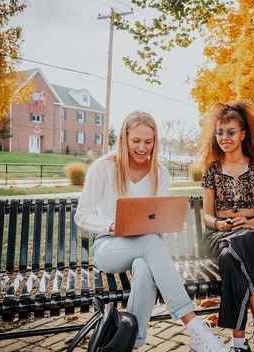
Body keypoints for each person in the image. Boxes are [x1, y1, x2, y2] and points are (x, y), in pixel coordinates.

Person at [75, 110, 231, 352]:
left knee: (146, 268)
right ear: (125, 137)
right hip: (109, 245)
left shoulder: (160, 172)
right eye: (136, 141)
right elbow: (81, 215)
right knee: (149, 242)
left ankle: (131, 346)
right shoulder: (103, 168)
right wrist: (112, 225)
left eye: (148, 142)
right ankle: (194, 327)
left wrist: (163, 221)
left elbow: (158, 218)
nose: (142, 148)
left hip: (146, 248)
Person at [199, 100, 254, 352]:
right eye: (220, 132)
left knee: (239, 249)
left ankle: (238, 343)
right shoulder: (211, 170)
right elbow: (207, 216)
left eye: (231, 132)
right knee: (238, 245)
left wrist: (249, 222)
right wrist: (220, 224)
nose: (224, 137)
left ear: (243, 134)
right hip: (220, 235)